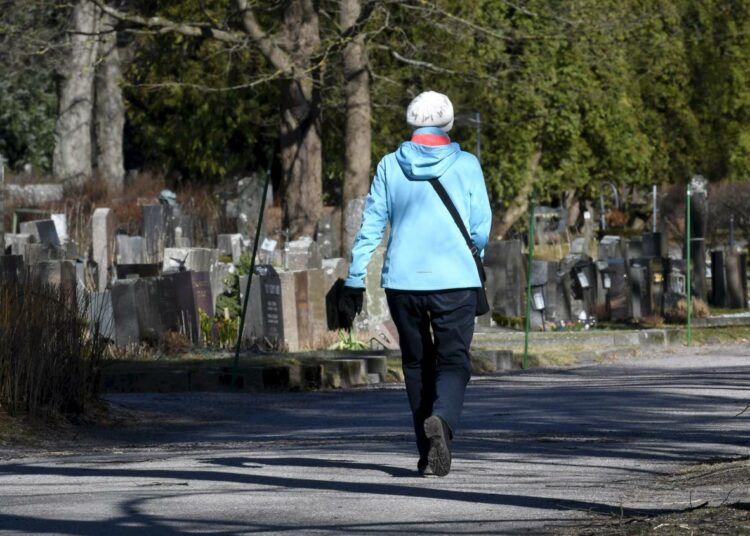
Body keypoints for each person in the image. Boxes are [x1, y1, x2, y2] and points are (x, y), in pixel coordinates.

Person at [339, 91, 492, 477]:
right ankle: (441, 418)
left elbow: (372, 223)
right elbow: (481, 227)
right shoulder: (467, 165)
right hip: (455, 280)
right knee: (454, 361)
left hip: (402, 282)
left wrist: (356, 278)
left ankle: (427, 453)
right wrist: (474, 256)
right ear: (448, 123)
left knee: (416, 364)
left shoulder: (390, 165)